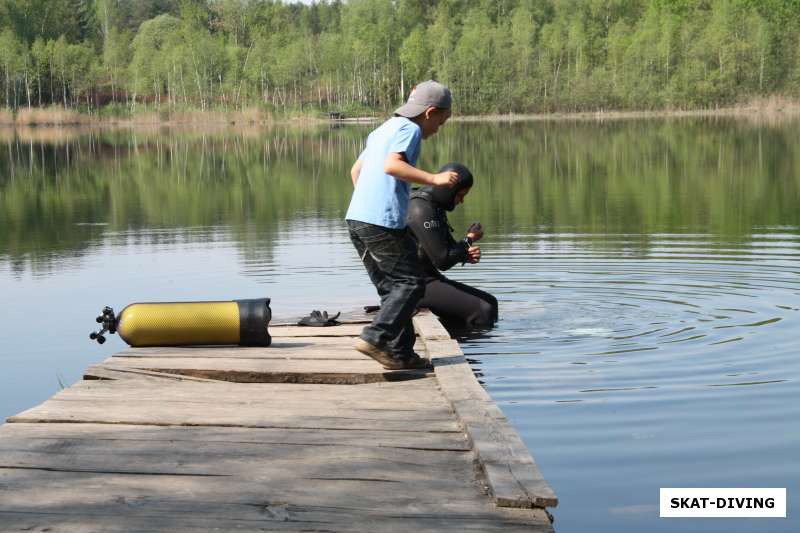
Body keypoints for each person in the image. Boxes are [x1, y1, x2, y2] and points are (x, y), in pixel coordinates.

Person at [345, 80, 458, 370]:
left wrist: (368, 202)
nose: (438, 129)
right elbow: (392, 166)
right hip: (381, 221)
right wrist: (435, 179)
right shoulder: (410, 130)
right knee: (411, 283)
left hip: (357, 218)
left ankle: (400, 354)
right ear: (430, 112)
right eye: (441, 122)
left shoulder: (382, 129)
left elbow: (356, 170)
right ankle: (376, 335)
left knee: (392, 289)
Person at [406, 163, 498, 329]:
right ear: (448, 190)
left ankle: (457, 336)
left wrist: (465, 252)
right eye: (460, 195)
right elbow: (443, 260)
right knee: (484, 309)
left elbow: (445, 250)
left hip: (427, 277)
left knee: (491, 302)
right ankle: (464, 348)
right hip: (412, 284)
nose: (461, 201)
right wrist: (469, 239)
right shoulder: (420, 208)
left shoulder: (433, 205)